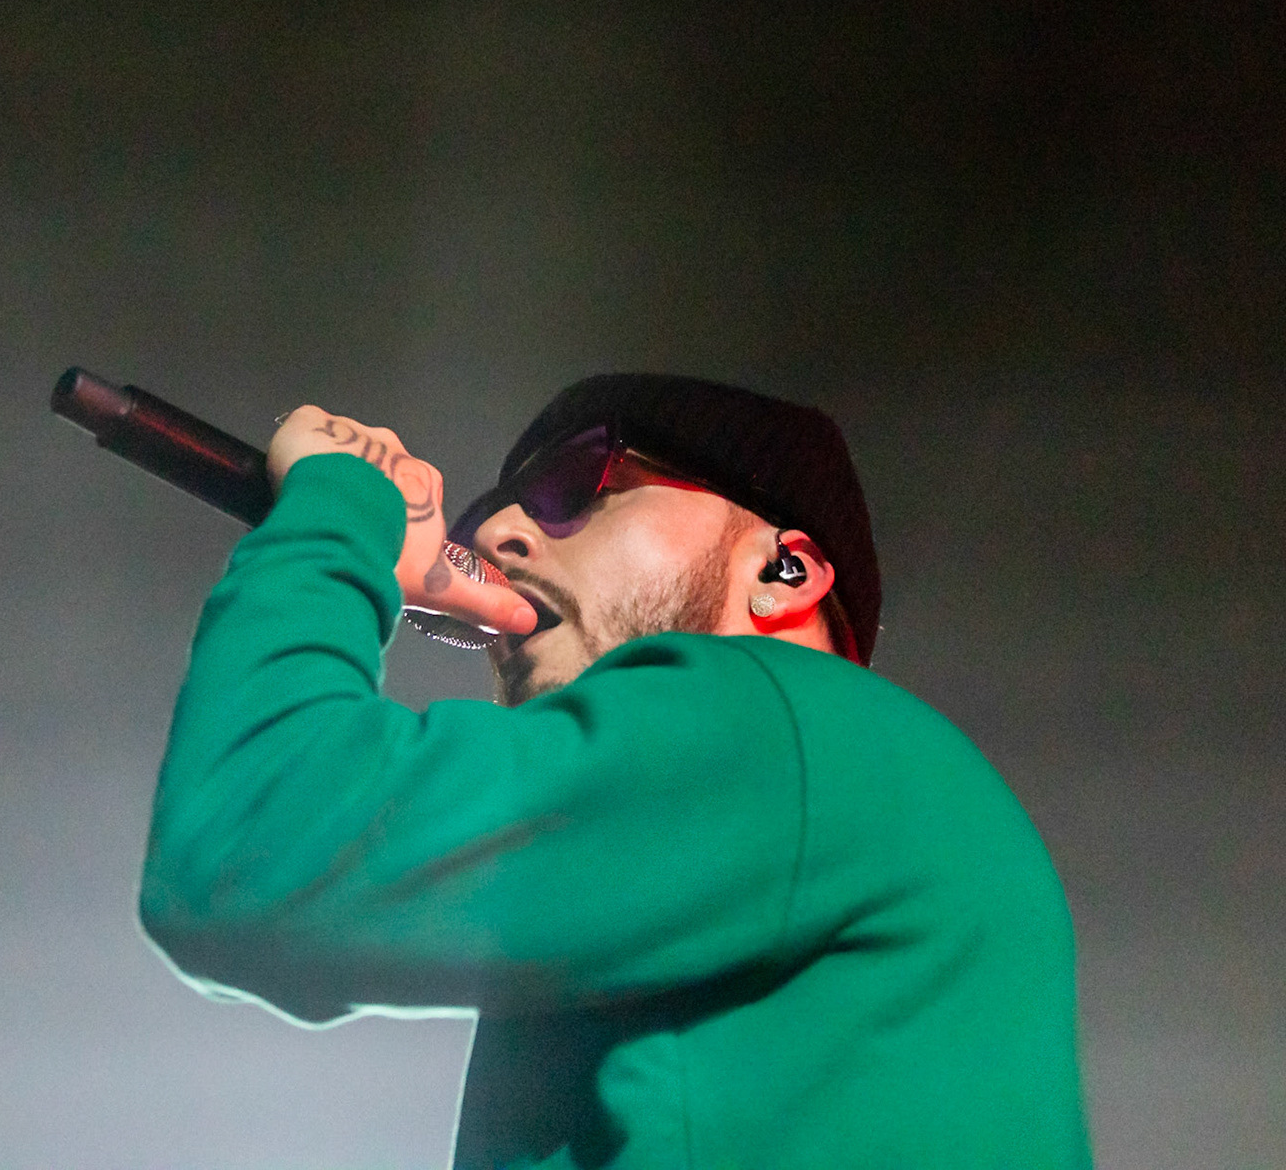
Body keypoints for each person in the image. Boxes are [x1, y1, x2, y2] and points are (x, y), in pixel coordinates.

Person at [138, 373, 1090, 1169]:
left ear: (784, 573)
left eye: (574, 485)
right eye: (484, 520)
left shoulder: (782, 721)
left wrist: (339, 510)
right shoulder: (813, 815)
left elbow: (256, 852)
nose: (502, 535)